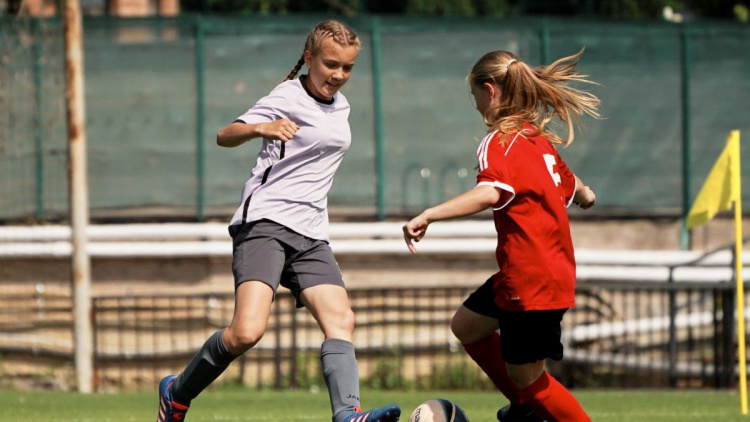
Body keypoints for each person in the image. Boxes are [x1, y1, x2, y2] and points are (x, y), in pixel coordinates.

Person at [156, 20, 401, 422]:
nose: (338, 75)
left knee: (341, 318)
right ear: (308, 58)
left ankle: (347, 414)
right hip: (266, 223)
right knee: (246, 332)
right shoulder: (286, 95)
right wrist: (260, 128)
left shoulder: (342, 106)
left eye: (348, 68)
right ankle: (177, 393)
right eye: (330, 64)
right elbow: (225, 134)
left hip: (311, 233)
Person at [402, 49, 600, 422]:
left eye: (475, 95)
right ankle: (527, 408)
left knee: (528, 376)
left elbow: (490, 191)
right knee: (467, 325)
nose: (476, 105)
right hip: (542, 270)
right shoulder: (539, 142)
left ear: (490, 91)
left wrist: (430, 214)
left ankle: (539, 406)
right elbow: (579, 190)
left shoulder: (500, 142)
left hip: (531, 277)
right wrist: (588, 197)